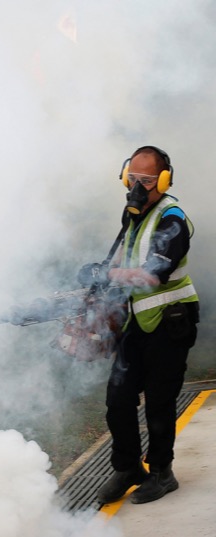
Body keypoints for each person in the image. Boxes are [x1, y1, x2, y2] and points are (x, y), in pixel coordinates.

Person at [78, 146, 199, 505]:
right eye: (133, 178)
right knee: (118, 399)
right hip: (137, 322)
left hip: (171, 320)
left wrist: (109, 273)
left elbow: (150, 275)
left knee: (159, 402)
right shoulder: (132, 215)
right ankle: (128, 468)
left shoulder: (172, 219)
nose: (137, 186)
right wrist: (100, 272)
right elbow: (120, 259)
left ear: (163, 181)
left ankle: (163, 472)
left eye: (146, 180)